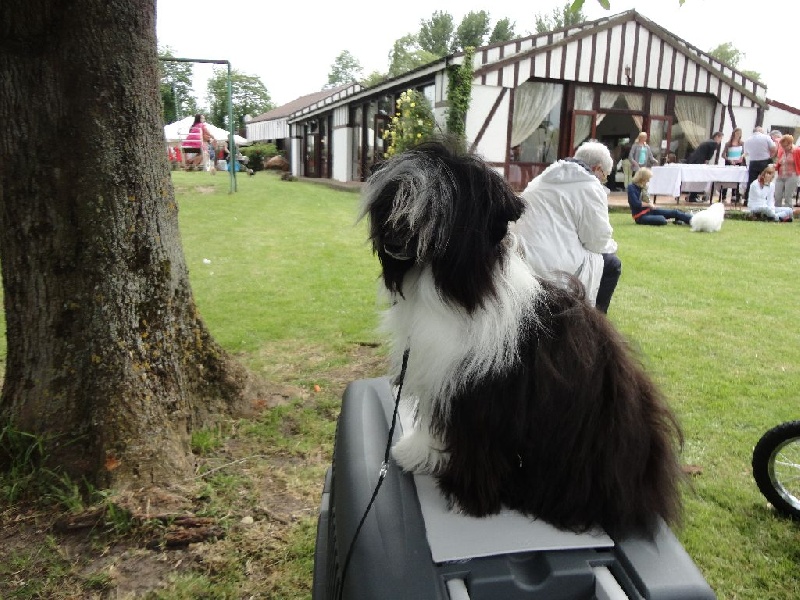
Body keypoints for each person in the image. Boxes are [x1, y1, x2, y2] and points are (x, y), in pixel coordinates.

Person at [515, 141, 621, 314]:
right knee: (611, 264)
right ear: (597, 169)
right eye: (605, 175)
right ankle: (595, 327)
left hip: (520, 259)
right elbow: (597, 241)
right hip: (551, 268)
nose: (604, 180)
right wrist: (613, 246)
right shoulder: (590, 187)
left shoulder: (543, 177)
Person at [627, 168, 693, 226]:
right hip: (640, 215)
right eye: (647, 179)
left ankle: (693, 220)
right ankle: (674, 221)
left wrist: (651, 204)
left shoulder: (644, 187)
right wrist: (649, 204)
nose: (648, 181)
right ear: (642, 178)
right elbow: (635, 203)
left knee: (675, 212)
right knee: (661, 219)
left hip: (650, 210)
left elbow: (647, 198)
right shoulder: (631, 188)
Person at [685, 131, 724, 202]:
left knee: (694, 179)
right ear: (717, 137)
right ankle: (693, 196)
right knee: (698, 179)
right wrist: (705, 163)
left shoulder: (708, 141)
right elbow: (709, 156)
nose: (720, 140)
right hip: (699, 162)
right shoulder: (713, 143)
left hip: (694, 160)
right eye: (720, 138)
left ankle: (692, 195)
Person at [743, 126, 777, 204]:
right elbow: (773, 148)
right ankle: (765, 199)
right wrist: (770, 156)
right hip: (764, 161)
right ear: (760, 131)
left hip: (753, 162)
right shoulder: (766, 137)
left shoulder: (748, 140)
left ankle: (747, 199)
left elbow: (746, 152)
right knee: (766, 180)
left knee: (751, 181)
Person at [773, 134, 800, 208]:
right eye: (782, 146)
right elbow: (779, 162)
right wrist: (775, 166)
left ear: (790, 143)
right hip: (781, 175)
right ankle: (777, 212)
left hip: (792, 175)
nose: (784, 148)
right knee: (777, 195)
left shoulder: (797, 151)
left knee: (788, 197)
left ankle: (787, 215)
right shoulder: (782, 151)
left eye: (785, 146)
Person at [720, 128, 746, 203]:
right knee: (727, 179)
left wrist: (741, 158)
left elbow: (744, 153)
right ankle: (724, 196)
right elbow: (723, 154)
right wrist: (729, 159)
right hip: (729, 162)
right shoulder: (728, 144)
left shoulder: (742, 143)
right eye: (736, 133)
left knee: (736, 179)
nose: (738, 135)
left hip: (738, 163)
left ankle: (735, 196)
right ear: (734, 133)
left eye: (739, 134)